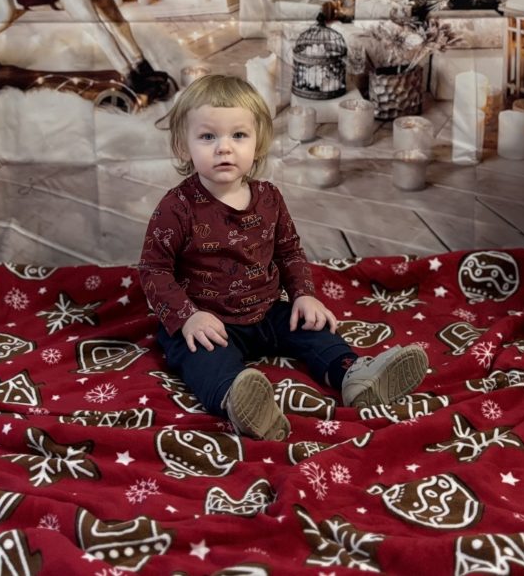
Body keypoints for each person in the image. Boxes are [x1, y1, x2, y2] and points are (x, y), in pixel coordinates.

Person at [138, 73, 427, 441]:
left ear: (258, 142)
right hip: (207, 320)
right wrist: (187, 316)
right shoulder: (177, 207)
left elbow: (289, 251)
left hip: (267, 310)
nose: (224, 148)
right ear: (183, 146)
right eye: (208, 137)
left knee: (313, 330)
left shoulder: (269, 198)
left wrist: (304, 294)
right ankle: (239, 400)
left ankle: (355, 376)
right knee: (202, 356)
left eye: (238, 135)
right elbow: (154, 270)